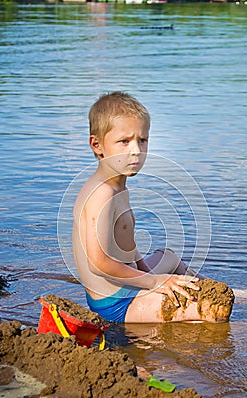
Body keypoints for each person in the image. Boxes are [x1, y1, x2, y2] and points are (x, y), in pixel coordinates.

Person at [73, 92, 227, 323]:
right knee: (216, 311)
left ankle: (207, 287)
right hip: (117, 303)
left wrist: (145, 270)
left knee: (169, 257)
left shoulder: (117, 185)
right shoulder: (101, 193)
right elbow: (98, 263)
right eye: (124, 141)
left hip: (132, 282)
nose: (135, 150)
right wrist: (156, 282)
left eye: (142, 140)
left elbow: (123, 241)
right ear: (97, 145)